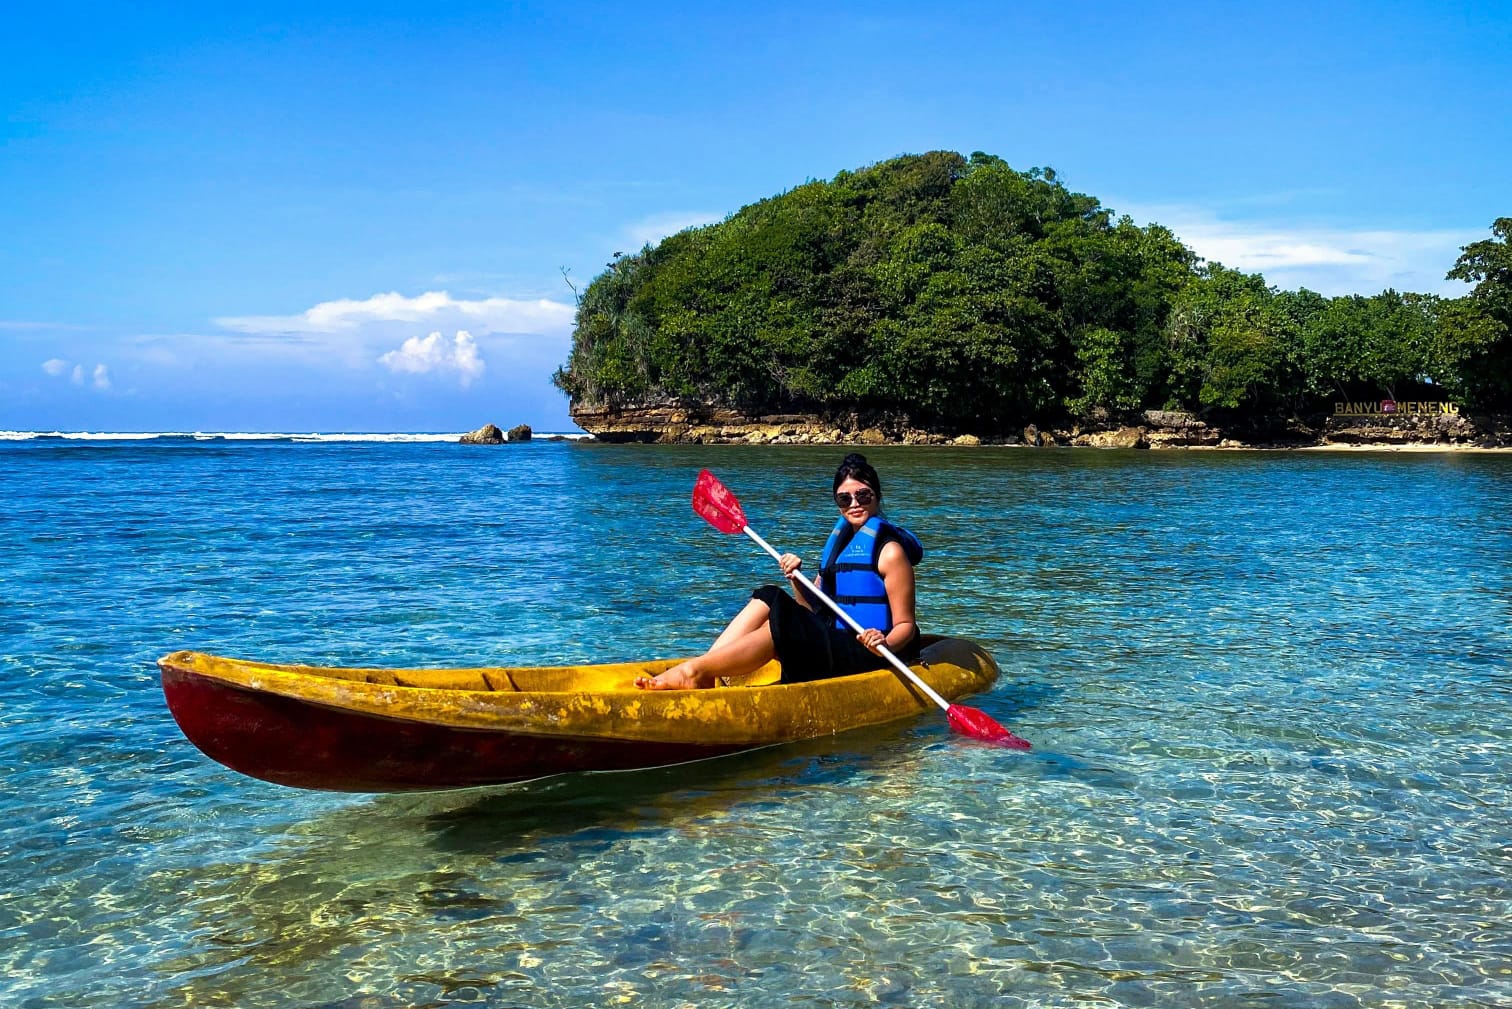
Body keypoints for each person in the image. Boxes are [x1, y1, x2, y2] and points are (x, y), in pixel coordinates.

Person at [635, 453, 922, 690]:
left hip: (870, 652)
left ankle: (694, 672)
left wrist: (884, 643)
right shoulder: (842, 543)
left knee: (784, 622)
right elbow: (809, 608)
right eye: (844, 499)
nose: (854, 504)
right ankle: (709, 668)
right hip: (833, 640)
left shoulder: (890, 552)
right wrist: (796, 578)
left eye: (863, 495)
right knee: (770, 595)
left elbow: (906, 625)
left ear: (877, 495)